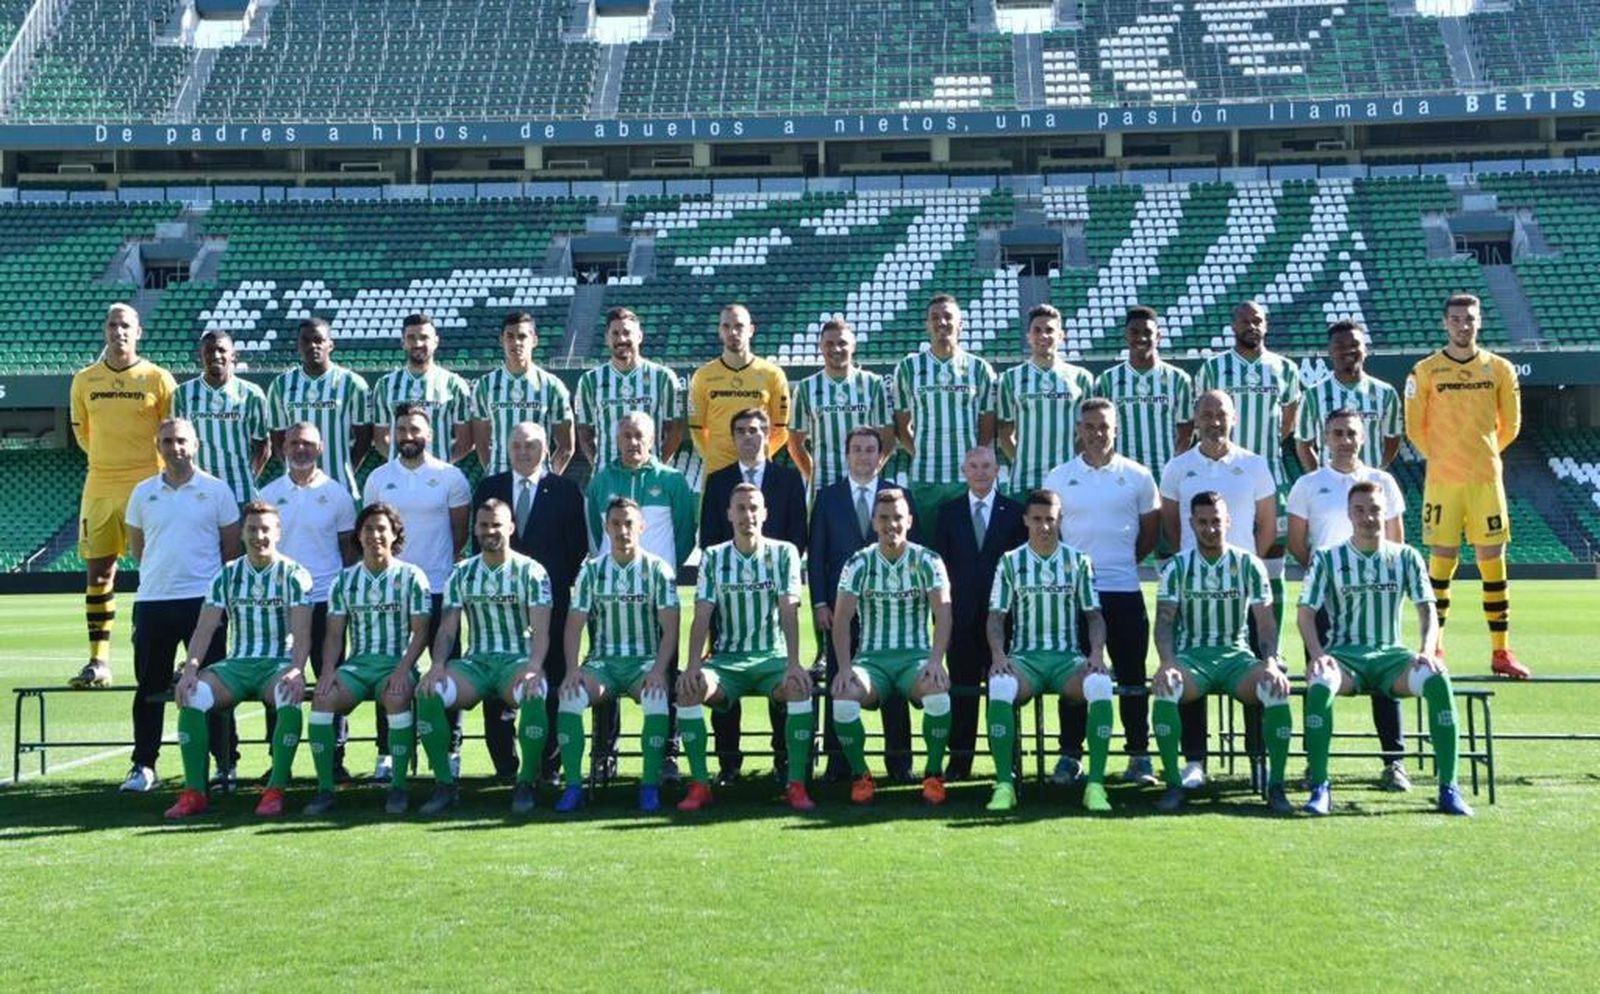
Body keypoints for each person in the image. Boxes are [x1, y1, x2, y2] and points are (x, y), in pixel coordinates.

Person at [1298, 481, 1474, 816]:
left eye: (1375, 510)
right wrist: (1319, 655)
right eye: (1360, 510)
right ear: (1349, 514)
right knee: (1320, 684)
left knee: (1438, 680)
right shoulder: (1327, 558)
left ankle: (1449, 788)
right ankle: (1320, 787)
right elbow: (1305, 614)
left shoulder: (1405, 556)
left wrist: (1426, 650)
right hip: (1345, 658)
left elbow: (1427, 610)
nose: (1368, 517)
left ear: (1385, 512)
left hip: (1392, 659)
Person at [162, 501, 314, 819]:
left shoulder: (294, 574)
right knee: (191, 695)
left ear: (278, 532)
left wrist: (298, 669)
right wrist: (190, 670)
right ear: (243, 534)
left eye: (265, 529)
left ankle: (274, 790)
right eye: (252, 529)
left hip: (276, 665)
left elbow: (302, 632)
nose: (259, 536)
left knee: (289, 698)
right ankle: (194, 793)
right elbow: (205, 627)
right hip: (236, 665)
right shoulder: (227, 574)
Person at [1158, 389, 1278, 788]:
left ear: (1234, 418)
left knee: (1257, 662)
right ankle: (1195, 761)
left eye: (1221, 413)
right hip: (1192, 580)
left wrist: (1241, 565)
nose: (1213, 420)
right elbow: (1174, 526)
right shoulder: (1178, 467)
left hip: (1240, 581)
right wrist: (1193, 562)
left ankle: (1258, 756)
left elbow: (1266, 522)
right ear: (1195, 418)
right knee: (1188, 660)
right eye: (1206, 413)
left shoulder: (1255, 465)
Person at [1405, 293, 1527, 678]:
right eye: (1456, 319)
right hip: (1443, 483)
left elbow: (1511, 425)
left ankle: (1501, 653)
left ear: (1480, 322)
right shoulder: (1424, 371)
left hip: (1486, 480)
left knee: (1493, 564)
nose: (1463, 325)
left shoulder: (1500, 369)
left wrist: (1481, 454)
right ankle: (1435, 648)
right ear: (1445, 323)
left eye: (1469, 318)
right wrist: (1444, 457)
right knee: (1441, 565)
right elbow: (1414, 428)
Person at [1150, 492, 1294, 815]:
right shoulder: (1177, 567)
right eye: (1202, 522)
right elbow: (1164, 623)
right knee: (1165, 688)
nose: (1210, 528)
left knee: (1276, 688)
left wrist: (1270, 662)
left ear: (1228, 521)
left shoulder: (1248, 564)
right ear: (1191, 524)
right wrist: (1167, 663)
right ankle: (1174, 783)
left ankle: (1276, 785)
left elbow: (1266, 624)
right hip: (1192, 659)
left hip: (1236, 659)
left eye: (1216, 521)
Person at [1287, 410, 1410, 789]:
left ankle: (1394, 761)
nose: (1345, 440)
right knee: (1319, 675)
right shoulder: (1308, 484)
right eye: (1337, 433)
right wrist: (1329, 577)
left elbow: (1397, 540)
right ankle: (1314, 761)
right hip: (1326, 598)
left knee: (1385, 674)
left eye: (1351, 433)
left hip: (1375, 595)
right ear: (1324, 438)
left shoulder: (1382, 482)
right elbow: (1296, 542)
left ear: (1363, 437)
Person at [1043, 398, 1161, 786]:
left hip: (1124, 589)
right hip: (1075, 596)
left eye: (1104, 426)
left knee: (1130, 675)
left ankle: (1139, 755)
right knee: (1073, 675)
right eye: (1089, 426)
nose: (1097, 433)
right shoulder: (1059, 477)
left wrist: (1121, 562)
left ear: (1116, 429)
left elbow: (1149, 533)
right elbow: (1053, 535)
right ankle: (1070, 755)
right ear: (1078, 430)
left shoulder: (1139, 476)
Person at [118, 418, 240, 793]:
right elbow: (139, 548)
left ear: (196, 445)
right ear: (158, 445)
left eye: (181, 440)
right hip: (154, 600)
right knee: (150, 687)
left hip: (204, 603)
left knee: (215, 686)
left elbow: (231, 548)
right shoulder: (142, 492)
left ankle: (224, 763)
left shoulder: (217, 491)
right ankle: (144, 765)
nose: (175, 447)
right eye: (168, 441)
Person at [676, 484, 816, 812]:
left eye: (753, 508)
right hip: (726, 662)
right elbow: (702, 615)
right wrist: (693, 664)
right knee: (689, 690)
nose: (747, 516)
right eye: (740, 508)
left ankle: (796, 784)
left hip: (773, 659)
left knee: (798, 688)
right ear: (729, 514)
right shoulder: (714, 556)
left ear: (764, 513)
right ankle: (699, 785)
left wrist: (795, 664)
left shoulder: (784, 553)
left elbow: (789, 610)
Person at [413, 500, 556, 815]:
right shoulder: (462, 572)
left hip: (516, 663)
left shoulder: (532, 571)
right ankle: (445, 784)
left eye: (496, 525)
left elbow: (541, 629)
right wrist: (437, 666)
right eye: (483, 525)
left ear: (511, 528)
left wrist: (534, 668)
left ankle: (525, 782)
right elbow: (448, 629)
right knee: (429, 692)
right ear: (475, 529)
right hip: (475, 665)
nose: (490, 531)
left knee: (535, 693)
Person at [984, 489, 1113, 812]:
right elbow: (996, 616)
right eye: (1038, 519)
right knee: (999, 686)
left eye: (1050, 520)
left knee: (1099, 684)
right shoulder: (1011, 562)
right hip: (1025, 661)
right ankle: (1004, 784)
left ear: (1060, 521)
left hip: (1067, 661)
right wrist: (999, 656)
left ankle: (1096, 786)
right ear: (1026, 520)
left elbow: (1094, 615)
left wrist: (1096, 653)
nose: (1044, 526)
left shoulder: (1078, 561)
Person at [68, 302, 177, 687]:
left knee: (159, 569)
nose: (119, 332)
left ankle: (166, 653)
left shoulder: (158, 378)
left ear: (139, 332)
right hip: (100, 484)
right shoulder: (85, 380)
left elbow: (173, 432)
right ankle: (98, 662)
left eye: (126, 326)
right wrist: (107, 461)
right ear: (105, 331)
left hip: (149, 483)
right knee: (99, 572)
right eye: (113, 325)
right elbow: (83, 433)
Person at [361, 403, 471, 780]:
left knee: (446, 668)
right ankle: (387, 752)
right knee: (387, 668)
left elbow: (459, 534)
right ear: (392, 434)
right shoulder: (378, 478)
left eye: (416, 429)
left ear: (430, 434)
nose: (409, 436)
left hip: (439, 587)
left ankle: (451, 748)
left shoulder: (451, 477)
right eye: (403, 429)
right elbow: (371, 533)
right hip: (392, 591)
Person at [473, 421, 588, 782]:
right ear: (507, 448)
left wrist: (550, 589)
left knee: (549, 684)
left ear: (546, 449)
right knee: (497, 690)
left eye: (533, 445)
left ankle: (547, 765)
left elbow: (576, 549)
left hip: (550, 605)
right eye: (518, 445)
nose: (524, 452)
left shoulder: (566, 490)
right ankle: (505, 766)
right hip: (497, 607)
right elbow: (482, 541)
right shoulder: (490, 488)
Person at [698, 407, 808, 782]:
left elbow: (797, 532)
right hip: (727, 598)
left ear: (768, 434)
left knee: (782, 686)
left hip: (773, 599)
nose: (750, 436)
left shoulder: (788, 480)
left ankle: (784, 763)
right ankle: (728, 763)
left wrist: (773, 568)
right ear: (733, 437)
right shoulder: (717, 481)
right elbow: (708, 536)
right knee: (723, 689)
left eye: (757, 429)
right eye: (742, 430)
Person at [553, 498, 682, 813]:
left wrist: (659, 670)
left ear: (641, 526)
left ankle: (649, 785)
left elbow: (671, 629)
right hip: (602, 665)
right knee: (570, 696)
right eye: (615, 524)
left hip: (644, 664)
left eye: (629, 524)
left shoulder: (657, 570)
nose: (622, 531)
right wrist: (572, 669)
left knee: (655, 697)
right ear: (606, 528)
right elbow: (574, 627)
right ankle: (573, 787)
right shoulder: (592, 571)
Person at [302, 502, 430, 816]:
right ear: (358, 535)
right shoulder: (343, 581)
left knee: (397, 696)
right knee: (322, 699)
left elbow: (420, 632)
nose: (375, 535)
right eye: (368, 529)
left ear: (395, 534)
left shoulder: (412, 576)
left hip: (395, 665)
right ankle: (325, 789)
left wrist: (403, 669)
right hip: (358, 667)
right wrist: (328, 671)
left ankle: (398, 787)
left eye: (382, 529)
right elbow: (333, 635)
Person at [807, 426, 918, 783]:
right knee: (841, 678)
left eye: (871, 449)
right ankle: (839, 762)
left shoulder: (900, 498)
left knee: (894, 682)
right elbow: (818, 554)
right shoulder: (828, 497)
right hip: (840, 608)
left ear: (880, 455)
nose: (864, 456)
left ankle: (899, 761)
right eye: (857, 449)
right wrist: (821, 601)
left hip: (888, 609)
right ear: (846, 454)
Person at [830, 489, 955, 806]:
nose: (891, 524)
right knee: (843, 698)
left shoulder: (928, 560)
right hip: (871, 662)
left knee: (938, 694)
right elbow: (842, 618)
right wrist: (845, 668)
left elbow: (943, 613)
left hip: (916, 660)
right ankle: (862, 775)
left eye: (897, 517)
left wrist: (936, 661)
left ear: (909, 521)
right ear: (874, 522)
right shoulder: (858, 562)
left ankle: (933, 773)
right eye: (884, 518)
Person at [257, 423, 359, 781]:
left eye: (309, 444)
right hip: (282, 603)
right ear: (284, 446)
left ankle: (334, 756)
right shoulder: (268, 494)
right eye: (295, 442)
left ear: (320, 449)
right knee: (278, 678)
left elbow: (348, 550)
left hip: (325, 601)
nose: (301, 449)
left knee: (330, 677)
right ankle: (277, 757)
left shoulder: (338, 494)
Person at [1195, 301, 1301, 628]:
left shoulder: (1285, 369)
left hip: (1272, 477)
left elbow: (1289, 418)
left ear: (1266, 325)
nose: (1251, 325)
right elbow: (1200, 417)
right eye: (1244, 320)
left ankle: (1272, 645)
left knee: (1272, 564)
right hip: (1222, 480)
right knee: (1220, 559)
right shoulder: (1213, 368)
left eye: (1257, 320)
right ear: (1233, 326)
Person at [929, 445, 1025, 781]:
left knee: (1003, 693)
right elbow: (940, 572)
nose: (981, 472)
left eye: (986, 466)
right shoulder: (949, 513)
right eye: (974, 466)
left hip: (1004, 620)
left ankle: (1008, 761)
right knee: (963, 692)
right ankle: (960, 762)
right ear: (964, 470)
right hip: (961, 620)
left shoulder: (1015, 512)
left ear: (997, 469)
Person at [894, 295, 997, 540]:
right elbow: (901, 423)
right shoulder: (908, 368)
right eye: (935, 318)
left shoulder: (979, 368)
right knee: (927, 551)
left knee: (967, 550)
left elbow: (988, 425)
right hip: (925, 478)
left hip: (967, 480)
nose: (942, 322)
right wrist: (920, 451)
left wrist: (974, 458)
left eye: (948, 316)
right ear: (927, 325)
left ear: (960, 323)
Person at [786, 317, 895, 497]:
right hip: (823, 486)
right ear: (820, 346)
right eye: (829, 344)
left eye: (842, 343)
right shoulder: (806, 388)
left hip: (863, 483)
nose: (836, 349)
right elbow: (794, 444)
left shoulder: (873, 383)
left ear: (853, 346)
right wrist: (813, 476)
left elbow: (888, 438)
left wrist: (872, 469)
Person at [266, 317, 372, 497]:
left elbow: (364, 438)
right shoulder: (281, 384)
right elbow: (277, 438)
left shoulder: (353, 383)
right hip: (294, 487)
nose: (313, 346)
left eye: (319, 340)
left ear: (330, 344)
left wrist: (344, 467)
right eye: (306, 341)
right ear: (298, 346)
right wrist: (296, 468)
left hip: (340, 484)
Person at [996, 304, 1094, 498]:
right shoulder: (1010, 378)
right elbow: (1005, 432)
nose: (1043, 336)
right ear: (1028, 336)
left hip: (1068, 479)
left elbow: (1087, 433)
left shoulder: (1081, 378)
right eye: (1037, 330)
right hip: (1024, 481)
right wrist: (1022, 460)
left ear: (1061, 336)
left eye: (1050, 330)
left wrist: (1071, 461)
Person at [573, 306, 685, 470]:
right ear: (606, 338)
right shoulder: (589, 380)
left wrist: (657, 465)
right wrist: (599, 466)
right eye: (615, 334)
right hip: (607, 476)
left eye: (627, 333)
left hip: (648, 477)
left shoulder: (663, 377)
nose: (621, 339)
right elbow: (584, 432)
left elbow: (675, 429)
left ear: (639, 336)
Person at [585, 411, 697, 571]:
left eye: (639, 436)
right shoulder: (600, 481)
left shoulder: (673, 480)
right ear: (618, 441)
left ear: (651, 441)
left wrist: (666, 568)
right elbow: (596, 533)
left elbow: (685, 535)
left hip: (657, 579)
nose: (633, 442)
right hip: (612, 578)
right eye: (627, 436)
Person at [688, 302, 790, 476]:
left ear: (751, 330)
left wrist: (758, 454)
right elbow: (697, 429)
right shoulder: (703, 376)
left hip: (758, 472)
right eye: (726, 327)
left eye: (739, 326)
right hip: (717, 472)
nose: (732, 332)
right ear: (720, 331)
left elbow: (781, 428)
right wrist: (716, 458)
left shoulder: (772, 374)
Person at [171, 329, 269, 505]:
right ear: (200, 355)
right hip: (198, 490)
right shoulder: (182, 394)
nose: (215, 355)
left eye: (222, 350)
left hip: (241, 491)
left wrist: (248, 475)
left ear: (233, 355)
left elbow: (262, 445)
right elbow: (176, 443)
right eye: (209, 351)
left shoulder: (252, 394)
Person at [1094, 305, 1193, 478]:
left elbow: (1185, 432)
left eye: (1148, 332)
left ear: (1159, 336)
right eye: (1134, 332)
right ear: (1126, 335)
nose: (1141, 337)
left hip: (1165, 475)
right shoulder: (1107, 380)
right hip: (1121, 475)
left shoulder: (1179, 379)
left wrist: (1173, 468)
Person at [471, 311, 574, 476]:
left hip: (539, 480)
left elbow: (566, 446)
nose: (516, 342)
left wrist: (548, 477)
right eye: (510, 336)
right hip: (499, 478)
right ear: (501, 341)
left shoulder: (552, 385)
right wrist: (495, 475)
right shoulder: (485, 385)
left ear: (534, 340)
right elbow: (481, 443)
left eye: (522, 336)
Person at [1294, 320, 1402, 472]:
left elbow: (1392, 438)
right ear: (1330, 352)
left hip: (1368, 487)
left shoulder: (1386, 392)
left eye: (1354, 344)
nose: (1348, 350)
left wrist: (1378, 469)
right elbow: (1303, 444)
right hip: (1331, 486)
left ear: (1365, 350)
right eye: (1340, 346)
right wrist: (1319, 476)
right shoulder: (1313, 395)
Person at [370, 313, 473, 464]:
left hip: (439, 477)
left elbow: (466, 442)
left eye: (424, 337)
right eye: (411, 337)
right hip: (400, 476)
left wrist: (439, 464)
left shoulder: (454, 384)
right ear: (403, 342)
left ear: (436, 341)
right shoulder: (385, 385)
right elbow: (380, 440)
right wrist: (406, 462)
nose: (418, 343)